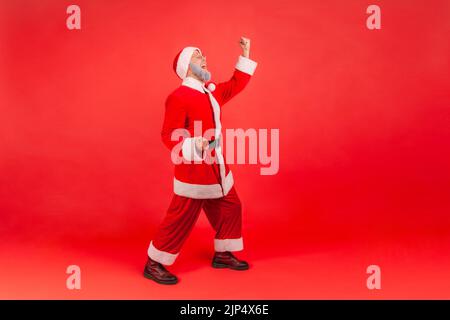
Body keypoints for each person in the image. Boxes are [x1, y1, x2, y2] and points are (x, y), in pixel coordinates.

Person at [144, 37, 258, 285]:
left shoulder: (211, 93)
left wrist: (246, 54)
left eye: (203, 55)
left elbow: (236, 84)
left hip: (216, 166)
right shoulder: (179, 96)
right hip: (194, 169)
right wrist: (194, 144)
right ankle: (154, 263)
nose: (204, 59)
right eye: (198, 57)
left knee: (231, 205)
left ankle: (223, 253)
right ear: (186, 67)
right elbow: (168, 135)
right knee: (181, 217)